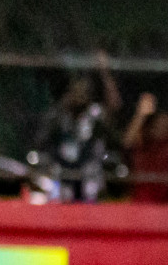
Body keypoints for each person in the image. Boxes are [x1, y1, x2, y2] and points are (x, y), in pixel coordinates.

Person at [32, 52, 122, 203]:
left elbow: (114, 106)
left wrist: (104, 73)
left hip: (89, 175)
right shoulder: (59, 115)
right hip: (62, 174)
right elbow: (42, 141)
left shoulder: (94, 114)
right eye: (75, 92)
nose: (79, 95)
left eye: (83, 92)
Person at [122, 92, 168, 204]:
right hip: (142, 202)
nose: (163, 125)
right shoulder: (143, 139)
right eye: (159, 122)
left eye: (167, 123)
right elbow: (127, 142)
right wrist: (140, 115)